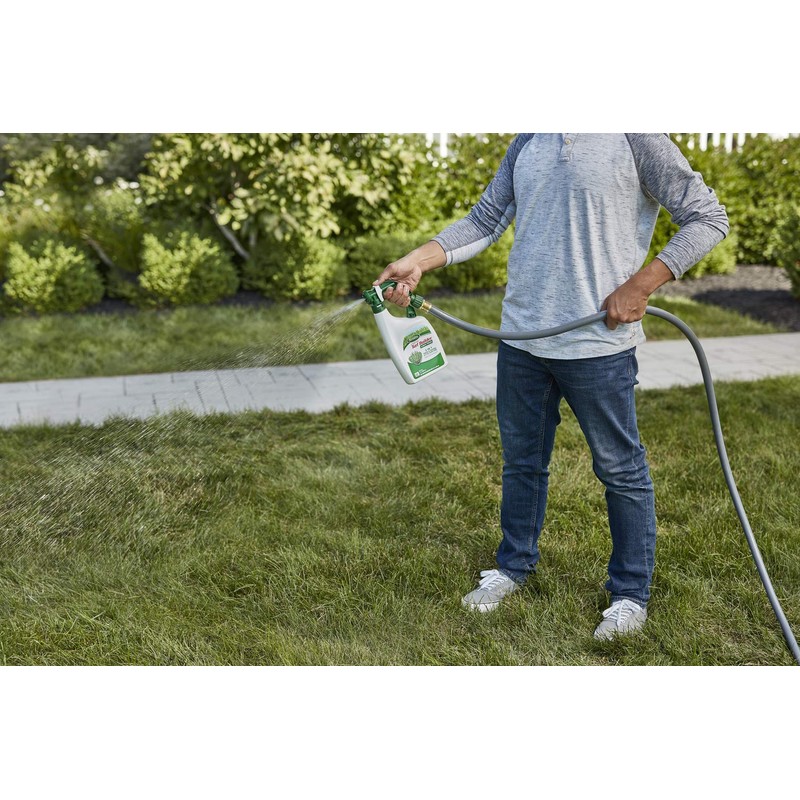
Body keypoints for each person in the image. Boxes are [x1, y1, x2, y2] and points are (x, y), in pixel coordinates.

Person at [374, 133, 729, 640]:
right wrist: (419, 260)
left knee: (620, 470)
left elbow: (708, 217)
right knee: (522, 462)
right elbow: (486, 219)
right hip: (522, 339)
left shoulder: (636, 134)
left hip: (597, 345)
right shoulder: (529, 138)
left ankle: (630, 595)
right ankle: (512, 567)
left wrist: (642, 283)